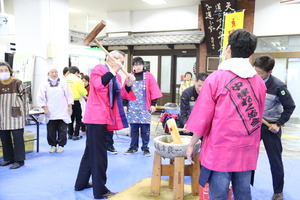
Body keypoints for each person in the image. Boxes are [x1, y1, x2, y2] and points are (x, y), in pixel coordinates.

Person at [185, 29, 266, 200]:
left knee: (219, 194)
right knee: (243, 193)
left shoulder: (215, 79)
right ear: (251, 53)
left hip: (220, 149)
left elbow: (202, 117)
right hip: (247, 148)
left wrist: (192, 143)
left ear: (228, 48)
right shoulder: (258, 81)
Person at [74, 50, 136, 199]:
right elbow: (98, 85)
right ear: (112, 59)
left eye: (122, 61)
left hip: (105, 117)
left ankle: (80, 183)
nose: (122, 64)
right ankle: (100, 190)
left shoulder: (116, 75)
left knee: (90, 152)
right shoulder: (99, 69)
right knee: (99, 155)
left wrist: (127, 84)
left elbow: (120, 94)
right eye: (120, 60)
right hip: (96, 117)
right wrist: (114, 71)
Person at [254, 55, 295, 200]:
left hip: (271, 126)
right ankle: (248, 184)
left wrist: (278, 124)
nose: (256, 74)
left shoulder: (278, 86)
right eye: (255, 70)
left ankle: (278, 191)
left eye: (260, 72)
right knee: (249, 156)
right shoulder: (251, 81)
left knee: (275, 160)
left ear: (269, 72)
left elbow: (290, 106)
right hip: (254, 125)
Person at [124, 56, 162, 156]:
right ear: (133, 66)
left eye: (140, 64)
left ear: (143, 65)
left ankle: (145, 148)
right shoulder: (129, 76)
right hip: (132, 107)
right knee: (134, 129)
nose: (138, 66)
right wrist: (124, 104)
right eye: (136, 64)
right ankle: (133, 147)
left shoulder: (149, 76)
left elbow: (153, 90)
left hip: (145, 107)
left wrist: (154, 104)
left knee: (145, 130)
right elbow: (125, 91)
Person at [36, 67, 74, 153]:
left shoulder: (63, 83)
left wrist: (69, 107)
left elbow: (69, 95)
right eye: (52, 72)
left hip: (62, 110)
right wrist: (45, 108)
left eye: (56, 72)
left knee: (63, 129)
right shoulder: (44, 84)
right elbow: (40, 97)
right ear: (48, 74)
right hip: (50, 111)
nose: (54, 74)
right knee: (51, 130)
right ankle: (52, 145)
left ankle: (61, 145)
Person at [0, 61, 29, 169]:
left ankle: (19, 160)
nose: (3, 72)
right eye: (1, 70)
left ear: (10, 71)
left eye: (5, 70)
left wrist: (26, 113)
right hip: (2, 117)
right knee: (5, 138)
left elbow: (25, 99)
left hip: (16, 115)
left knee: (18, 139)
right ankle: (8, 158)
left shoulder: (17, 82)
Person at [65, 66, 87, 140]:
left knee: (70, 118)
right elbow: (82, 91)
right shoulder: (78, 80)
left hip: (67, 102)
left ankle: (70, 134)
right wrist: (85, 93)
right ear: (76, 72)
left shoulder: (64, 79)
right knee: (78, 118)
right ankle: (76, 134)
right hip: (75, 101)